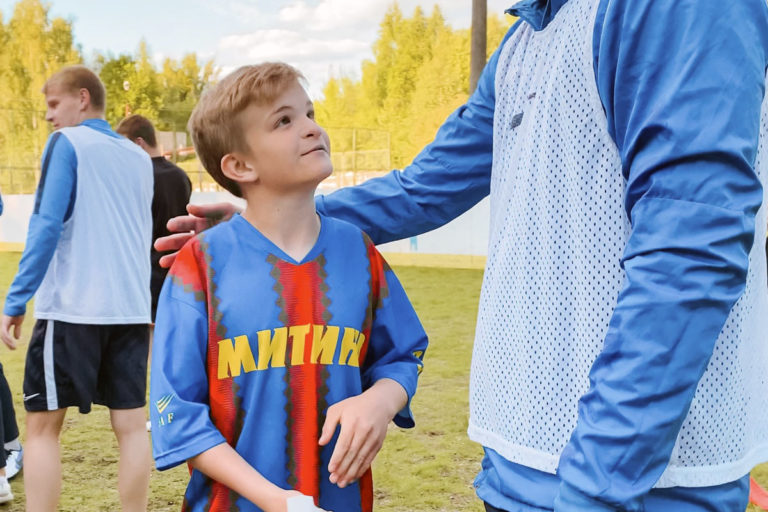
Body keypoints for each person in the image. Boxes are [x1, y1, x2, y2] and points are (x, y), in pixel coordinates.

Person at [158, 1, 768, 510]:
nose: (307, 128)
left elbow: (690, 250)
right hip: (517, 470)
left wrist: (596, 487)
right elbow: (426, 187)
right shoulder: (528, 36)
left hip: (637, 487)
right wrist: (257, 229)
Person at [149, 62, 428, 512]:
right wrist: (278, 502)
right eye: (284, 120)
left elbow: (402, 355)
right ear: (239, 164)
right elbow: (176, 414)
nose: (310, 129)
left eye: (310, 113)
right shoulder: (199, 265)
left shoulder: (358, 252)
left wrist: (380, 400)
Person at [0, 65, 154, 511]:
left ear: (82, 99)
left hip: (72, 309)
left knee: (42, 430)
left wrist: (15, 299)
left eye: (53, 105)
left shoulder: (66, 143)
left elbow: (47, 225)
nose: (49, 116)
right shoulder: (137, 156)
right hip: (128, 310)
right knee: (131, 428)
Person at [115, 114, 192, 323]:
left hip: (145, 275)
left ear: (139, 143)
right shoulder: (181, 176)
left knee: (149, 344)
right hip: (179, 273)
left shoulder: (137, 178)